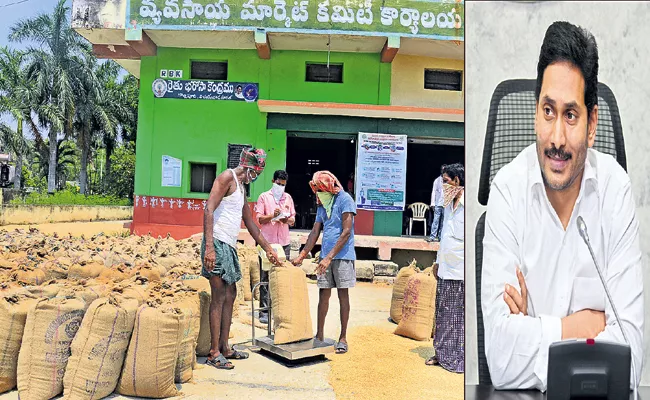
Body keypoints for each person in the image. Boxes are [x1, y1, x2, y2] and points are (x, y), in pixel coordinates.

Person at [482, 21, 644, 391]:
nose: (556, 138)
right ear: (535, 111)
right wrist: (583, 326)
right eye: (548, 111)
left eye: (571, 115)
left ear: (591, 124)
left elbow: (630, 360)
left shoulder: (614, 191)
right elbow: (502, 360)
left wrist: (533, 330)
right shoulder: (507, 191)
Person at [202, 147, 281, 370]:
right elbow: (208, 209)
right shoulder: (227, 177)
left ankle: (225, 347)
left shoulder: (242, 187)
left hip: (229, 244)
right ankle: (214, 352)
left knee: (231, 293)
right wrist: (209, 248)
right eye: (255, 172)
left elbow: (250, 222)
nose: (254, 176)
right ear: (247, 167)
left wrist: (267, 248)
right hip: (216, 242)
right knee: (218, 295)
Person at [292, 171, 356, 354]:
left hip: (342, 256)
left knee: (343, 296)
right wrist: (302, 255)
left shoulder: (345, 200)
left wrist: (329, 257)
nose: (318, 194)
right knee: (323, 295)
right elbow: (315, 232)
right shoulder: (323, 204)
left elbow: (346, 231)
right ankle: (319, 335)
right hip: (325, 257)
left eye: (320, 190)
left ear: (328, 187)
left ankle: (343, 337)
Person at [426, 163, 464, 373]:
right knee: (442, 315)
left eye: (446, 181)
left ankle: (458, 356)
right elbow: (444, 237)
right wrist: (438, 262)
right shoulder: (448, 204)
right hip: (445, 268)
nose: (444, 185)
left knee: (459, 317)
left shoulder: (469, 206)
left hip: (461, 271)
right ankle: (441, 354)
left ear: (457, 181)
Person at [255, 169, 296, 324]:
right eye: (278, 184)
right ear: (273, 182)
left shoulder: (288, 198)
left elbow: (293, 219)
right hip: (268, 243)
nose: (280, 187)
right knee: (265, 276)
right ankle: (264, 311)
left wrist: (286, 220)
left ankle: (280, 310)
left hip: (283, 242)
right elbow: (259, 219)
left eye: (283, 185)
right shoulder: (264, 197)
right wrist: (273, 215)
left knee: (282, 276)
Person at [426, 165, 447, 242]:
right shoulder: (437, 180)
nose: (443, 171)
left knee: (443, 222)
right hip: (438, 204)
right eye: (442, 170)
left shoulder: (449, 180)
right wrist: (433, 204)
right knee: (435, 221)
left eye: (445, 170)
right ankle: (432, 236)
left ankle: (440, 237)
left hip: (446, 204)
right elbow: (433, 192)